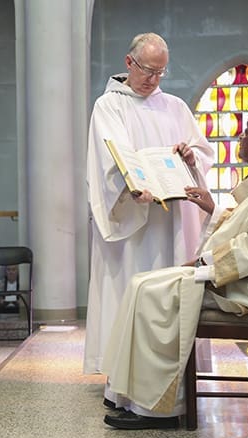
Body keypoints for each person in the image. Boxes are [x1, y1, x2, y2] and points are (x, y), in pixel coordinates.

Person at [101, 75, 248, 430]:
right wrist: (214, 210)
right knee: (142, 284)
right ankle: (128, 396)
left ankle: (160, 410)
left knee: (153, 292)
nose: (242, 136)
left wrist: (206, 265)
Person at [84, 32, 214, 408]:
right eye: (147, 70)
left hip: (172, 222)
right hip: (134, 228)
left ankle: (176, 382)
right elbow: (108, 162)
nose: (153, 80)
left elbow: (203, 154)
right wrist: (131, 187)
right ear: (128, 63)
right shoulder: (109, 107)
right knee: (132, 295)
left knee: (169, 300)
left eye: (160, 72)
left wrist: (191, 158)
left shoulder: (174, 107)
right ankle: (124, 388)